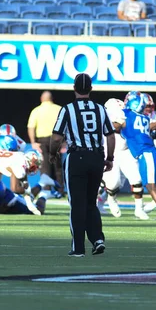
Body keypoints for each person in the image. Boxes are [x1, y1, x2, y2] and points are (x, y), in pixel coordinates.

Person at [50, 73, 115, 257]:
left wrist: (52, 153)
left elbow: (56, 137)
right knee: (90, 202)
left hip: (76, 157)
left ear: (74, 89)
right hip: (96, 157)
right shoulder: (100, 109)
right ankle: (97, 239)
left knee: (77, 204)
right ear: (91, 89)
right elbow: (110, 135)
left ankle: (78, 247)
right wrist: (109, 158)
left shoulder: (68, 109)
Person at [121, 92, 156, 220]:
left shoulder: (127, 114)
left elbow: (117, 124)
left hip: (146, 152)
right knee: (152, 184)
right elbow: (152, 126)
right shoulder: (144, 118)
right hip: (146, 153)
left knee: (150, 185)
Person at [98, 97, 149, 220]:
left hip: (126, 150)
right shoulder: (109, 110)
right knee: (114, 183)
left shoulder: (129, 113)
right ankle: (111, 199)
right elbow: (114, 127)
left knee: (136, 179)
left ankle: (139, 209)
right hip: (111, 150)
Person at [27, 91, 63, 191]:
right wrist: (64, 142)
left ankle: (46, 189)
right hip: (56, 139)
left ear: (41, 99)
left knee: (44, 166)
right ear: (52, 99)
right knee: (58, 167)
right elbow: (66, 126)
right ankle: (60, 190)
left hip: (42, 141)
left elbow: (31, 127)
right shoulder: (58, 109)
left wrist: (33, 142)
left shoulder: (36, 110)